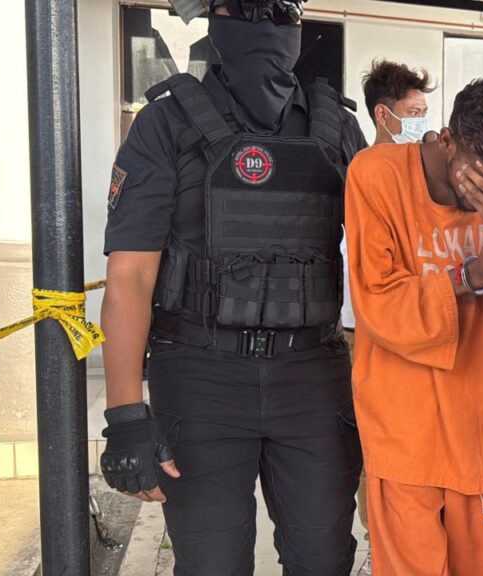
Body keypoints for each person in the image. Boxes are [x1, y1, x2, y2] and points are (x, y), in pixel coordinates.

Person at [98, 1, 368, 574]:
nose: (263, 20)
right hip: (201, 378)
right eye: (242, 6)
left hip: (312, 378)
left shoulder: (337, 127)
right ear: (213, 18)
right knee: (211, 564)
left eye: (281, 9)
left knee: (324, 559)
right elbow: (131, 275)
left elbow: (380, 256)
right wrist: (125, 417)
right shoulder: (167, 122)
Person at [345, 76, 483, 576]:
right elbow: (377, 303)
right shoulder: (377, 174)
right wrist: (466, 277)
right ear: (449, 139)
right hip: (405, 429)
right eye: (478, 179)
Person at [341, 57, 437, 576]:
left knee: (413, 443)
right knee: (376, 445)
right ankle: (381, 545)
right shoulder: (363, 171)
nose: (422, 121)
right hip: (360, 331)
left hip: (414, 322)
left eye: (424, 111)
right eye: (414, 112)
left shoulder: (424, 171)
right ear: (384, 114)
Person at [362, 59, 436, 146]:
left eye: (424, 113)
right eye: (414, 112)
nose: (422, 124)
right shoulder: (363, 156)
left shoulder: (429, 153)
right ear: (382, 114)